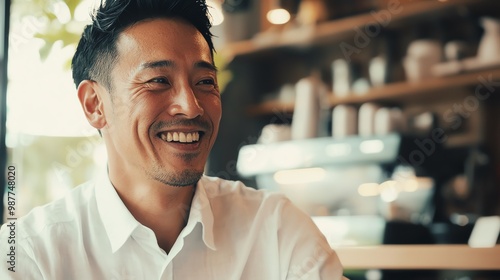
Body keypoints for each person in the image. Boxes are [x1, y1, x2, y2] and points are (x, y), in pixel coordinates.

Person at [0, 0, 346, 279]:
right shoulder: (30, 253)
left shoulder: (275, 230)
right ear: (95, 105)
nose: (191, 106)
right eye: (158, 81)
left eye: (205, 82)